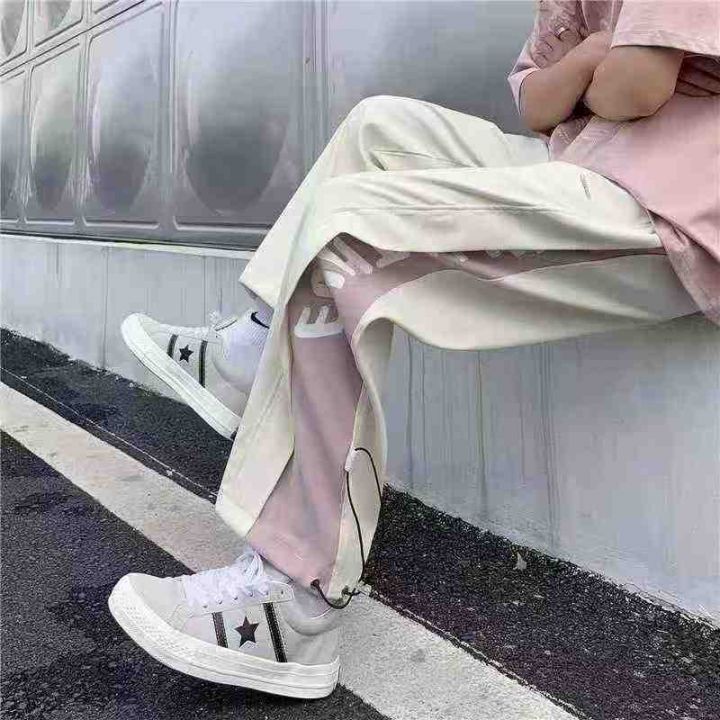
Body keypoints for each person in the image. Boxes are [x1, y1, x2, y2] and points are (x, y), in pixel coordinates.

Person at [108, 0, 720, 699]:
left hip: (667, 204)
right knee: (378, 126)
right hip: (583, 157)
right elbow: (538, 105)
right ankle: (251, 355)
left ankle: (295, 597)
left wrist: (593, 74)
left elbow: (637, 87)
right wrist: (591, 57)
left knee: (348, 232)